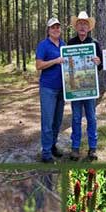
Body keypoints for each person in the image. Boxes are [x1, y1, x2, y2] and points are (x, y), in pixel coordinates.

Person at [68, 11, 102, 161]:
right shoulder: (70, 43)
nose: (82, 26)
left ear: (89, 27)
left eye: (85, 24)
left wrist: (98, 62)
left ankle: (92, 148)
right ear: (76, 27)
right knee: (75, 118)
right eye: (80, 23)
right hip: (75, 89)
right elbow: (67, 67)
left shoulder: (94, 44)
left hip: (89, 88)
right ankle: (75, 148)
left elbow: (100, 67)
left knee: (91, 118)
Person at [36, 17, 66, 163]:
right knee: (47, 122)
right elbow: (39, 65)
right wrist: (55, 61)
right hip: (48, 88)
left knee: (57, 121)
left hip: (62, 89)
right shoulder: (43, 45)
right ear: (48, 30)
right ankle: (46, 153)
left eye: (58, 27)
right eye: (53, 27)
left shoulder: (63, 45)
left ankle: (53, 146)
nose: (56, 29)